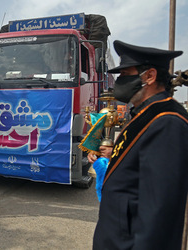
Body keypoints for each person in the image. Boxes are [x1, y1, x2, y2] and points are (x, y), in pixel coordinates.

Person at [91, 40, 188, 250]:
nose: (119, 81)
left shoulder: (167, 121)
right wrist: (111, 155)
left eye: (126, 74)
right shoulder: (145, 113)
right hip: (117, 237)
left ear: (149, 76)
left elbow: (159, 210)